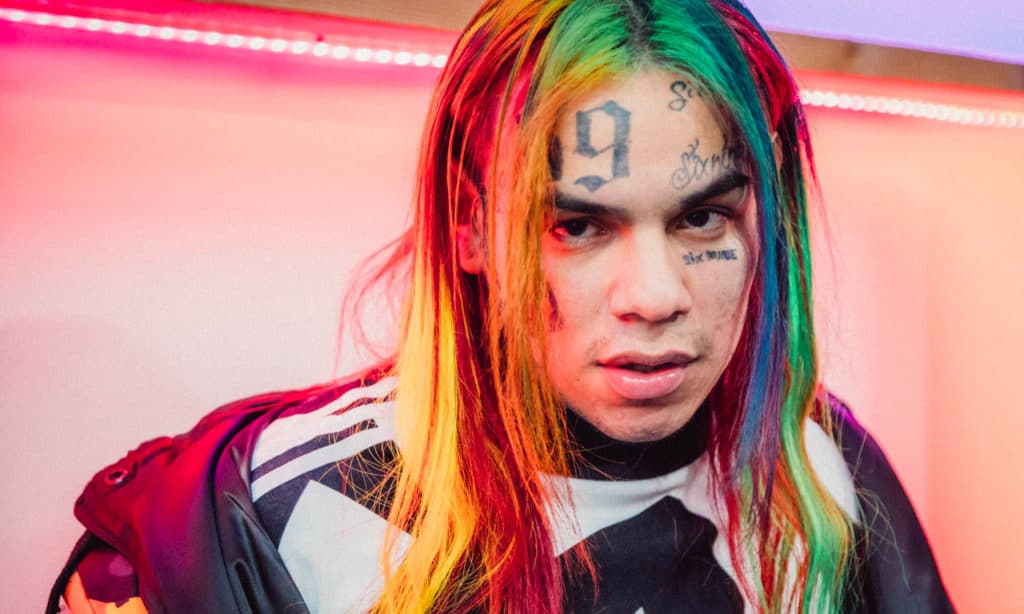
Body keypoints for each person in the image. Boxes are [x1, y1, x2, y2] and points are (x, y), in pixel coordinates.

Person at [49, 0, 955, 612]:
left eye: (703, 217)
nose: (655, 296)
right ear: (470, 226)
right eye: (577, 226)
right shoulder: (259, 523)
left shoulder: (819, 467)